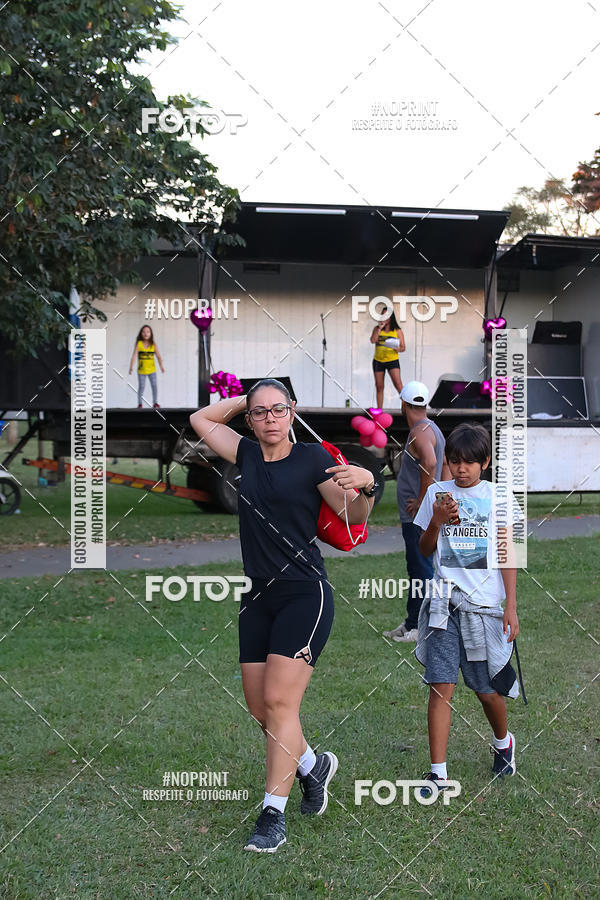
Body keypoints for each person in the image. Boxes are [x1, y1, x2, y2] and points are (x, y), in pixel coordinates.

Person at [189, 378, 377, 853]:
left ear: (292, 413)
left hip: (303, 595)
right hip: (256, 596)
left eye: (279, 410)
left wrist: (367, 483)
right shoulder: (246, 454)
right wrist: (249, 398)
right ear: (250, 419)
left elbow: (354, 518)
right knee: (261, 710)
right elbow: (200, 420)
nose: (270, 419)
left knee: (279, 704)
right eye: (260, 412)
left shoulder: (312, 459)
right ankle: (314, 767)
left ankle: (272, 815)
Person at [412, 422, 521, 795]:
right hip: (443, 606)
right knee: (440, 686)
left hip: (485, 608)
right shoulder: (437, 494)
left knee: (487, 689)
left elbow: (508, 556)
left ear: (485, 463)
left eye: (470, 463)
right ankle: (438, 774)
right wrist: (438, 522)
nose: (461, 469)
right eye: (455, 461)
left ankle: (504, 741)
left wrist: (511, 607)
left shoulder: (500, 498)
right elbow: (425, 550)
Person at [383, 381, 448, 643]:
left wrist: (423, 502)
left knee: (421, 570)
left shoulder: (419, 432)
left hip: (417, 518)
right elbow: (443, 465)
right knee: (417, 568)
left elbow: (431, 462)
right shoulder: (431, 428)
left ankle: (421, 628)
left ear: (403, 404)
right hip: (424, 514)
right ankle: (412, 622)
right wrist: (441, 500)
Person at [370, 312, 405, 408]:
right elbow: (373, 340)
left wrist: (397, 348)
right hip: (378, 360)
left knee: (398, 384)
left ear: (391, 317)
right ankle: (379, 409)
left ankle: (407, 407)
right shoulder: (377, 329)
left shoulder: (397, 330)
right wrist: (379, 329)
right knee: (379, 386)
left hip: (392, 360)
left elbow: (403, 347)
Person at [129, 325, 165, 408]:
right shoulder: (139, 344)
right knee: (141, 386)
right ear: (141, 333)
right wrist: (131, 367)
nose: (146, 334)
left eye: (148, 332)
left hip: (152, 370)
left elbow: (158, 356)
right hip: (141, 370)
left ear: (151, 334)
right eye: (144, 332)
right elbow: (134, 356)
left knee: (154, 386)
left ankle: (155, 402)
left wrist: (161, 367)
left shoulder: (153, 344)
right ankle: (140, 403)